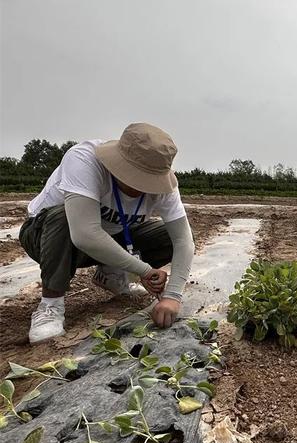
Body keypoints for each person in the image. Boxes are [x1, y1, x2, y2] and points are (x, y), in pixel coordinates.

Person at [19, 123, 195, 344]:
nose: (142, 186)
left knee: (168, 235)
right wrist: (144, 270)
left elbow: (183, 240)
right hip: (47, 237)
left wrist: (172, 296)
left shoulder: (164, 184)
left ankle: (110, 274)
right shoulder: (84, 160)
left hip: (111, 236)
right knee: (63, 216)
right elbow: (85, 234)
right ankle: (50, 305)